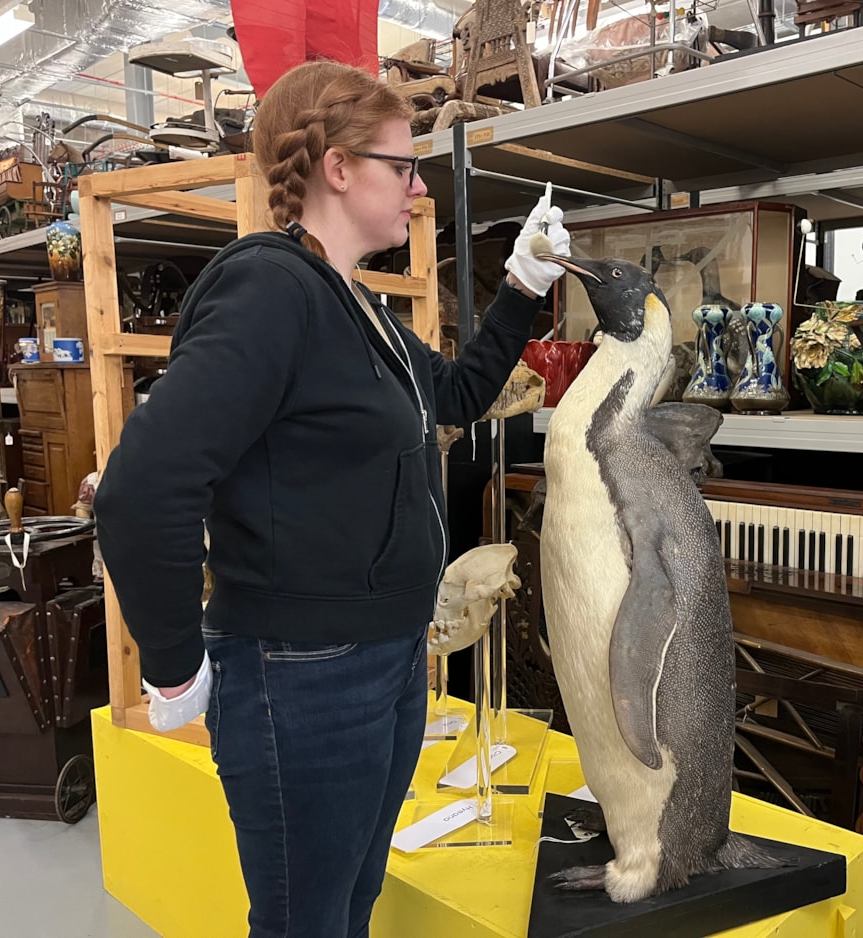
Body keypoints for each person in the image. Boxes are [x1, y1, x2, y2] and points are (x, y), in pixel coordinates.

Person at [94, 59, 571, 938]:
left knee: (346, 908)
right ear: (339, 168)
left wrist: (523, 290)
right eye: (404, 165)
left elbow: (457, 398)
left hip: (384, 658)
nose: (418, 187)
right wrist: (172, 663)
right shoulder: (269, 289)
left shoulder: (359, 304)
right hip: (302, 673)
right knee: (305, 922)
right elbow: (141, 488)